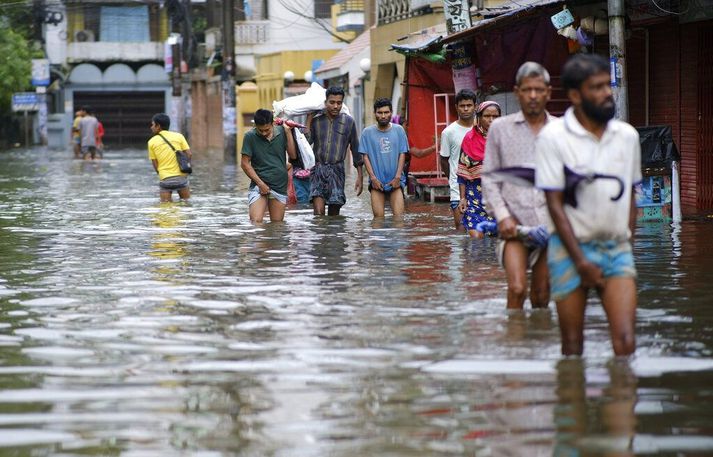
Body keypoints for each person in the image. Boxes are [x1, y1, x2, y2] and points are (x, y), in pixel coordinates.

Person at [535, 54, 641, 356]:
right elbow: (554, 205)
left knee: (626, 343)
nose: (607, 92)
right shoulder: (552, 138)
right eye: (596, 87)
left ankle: (621, 397)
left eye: (607, 85)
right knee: (572, 346)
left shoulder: (628, 136)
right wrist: (581, 261)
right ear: (574, 95)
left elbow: (631, 195)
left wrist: (628, 242)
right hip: (569, 252)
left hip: (617, 248)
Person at [482, 62, 554, 310]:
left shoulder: (562, 131)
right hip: (514, 226)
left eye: (538, 89)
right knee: (516, 289)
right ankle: (513, 345)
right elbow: (490, 177)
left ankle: (538, 343)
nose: (533, 95)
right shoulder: (500, 129)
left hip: (550, 226)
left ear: (548, 92)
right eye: (527, 90)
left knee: (542, 295)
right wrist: (502, 216)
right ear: (517, 92)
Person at [305, 86, 363, 216]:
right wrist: (309, 119)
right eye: (332, 102)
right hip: (318, 169)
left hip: (337, 170)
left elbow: (355, 149)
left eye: (339, 103)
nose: (336, 106)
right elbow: (306, 144)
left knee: (334, 215)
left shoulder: (349, 122)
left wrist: (360, 177)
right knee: (318, 215)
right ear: (325, 103)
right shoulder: (316, 121)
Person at [241, 109, 297, 222]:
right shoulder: (250, 136)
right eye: (260, 130)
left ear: (273, 123)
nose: (264, 133)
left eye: (267, 130)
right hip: (259, 186)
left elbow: (293, 155)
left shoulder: (282, 131)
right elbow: (245, 164)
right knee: (255, 223)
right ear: (255, 125)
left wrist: (288, 133)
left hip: (279, 186)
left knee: (277, 227)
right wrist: (260, 184)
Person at [457, 101, 501, 238]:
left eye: (495, 116)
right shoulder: (469, 139)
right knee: (477, 239)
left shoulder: (505, 138)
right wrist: (462, 198)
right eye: (487, 116)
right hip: (475, 196)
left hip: (499, 198)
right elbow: (462, 172)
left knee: (497, 243)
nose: (491, 120)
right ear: (479, 118)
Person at [359, 98, 409, 218]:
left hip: (396, 182)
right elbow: (365, 156)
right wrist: (373, 178)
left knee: (399, 219)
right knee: (378, 219)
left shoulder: (399, 130)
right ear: (375, 113)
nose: (383, 116)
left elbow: (402, 154)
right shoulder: (367, 133)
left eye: (386, 112)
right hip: (377, 183)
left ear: (391, 112)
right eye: (380, 113)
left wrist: (398, 177)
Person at [439, 89, 477, 230]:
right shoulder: (448, 132)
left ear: (475, 106)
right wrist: (453, 179)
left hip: (480, 186)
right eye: (462, 106)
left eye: (469, 105)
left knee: (481, 232)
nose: (466, 109)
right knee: (461, 229)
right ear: (456, 107)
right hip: (457, 188)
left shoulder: (481, 128)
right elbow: (444, 160)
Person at [148, 113, 192, 202]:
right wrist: (184, 166)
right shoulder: (179, 136)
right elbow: (189, 154)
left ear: (158, 126)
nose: (151, 127)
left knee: (165, 207)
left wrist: (162, 174)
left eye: (152, 124)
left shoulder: (151, 142)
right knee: (186, 203)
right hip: (181, 178)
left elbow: (155, 163)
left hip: (165, 179)